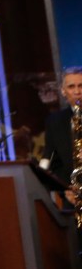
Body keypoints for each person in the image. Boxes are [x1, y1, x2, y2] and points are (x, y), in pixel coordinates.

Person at [44, 67, 82, 203]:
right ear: (63, 91)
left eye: (81, 86)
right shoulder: (54, 121)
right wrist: (67, 188)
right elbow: (52, 161)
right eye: (71, 87)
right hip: (71, 196)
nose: (77, 91)